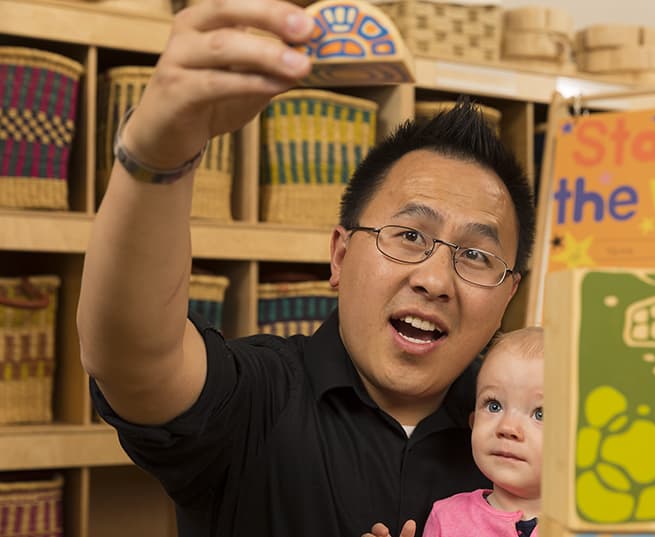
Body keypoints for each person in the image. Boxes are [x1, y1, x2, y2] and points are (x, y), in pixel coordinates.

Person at [76, 1, 535, 536]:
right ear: (340, 256)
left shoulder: (534, 438)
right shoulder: (254, 401)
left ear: (508, 295)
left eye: (476, 256)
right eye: (409, 236)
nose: (434, 280)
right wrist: (158, 153)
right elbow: (131, 354)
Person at [364, 327, 543, 537]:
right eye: (494, 406)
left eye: (540, 414)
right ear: (473, 422)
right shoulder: (446, 517)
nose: (508, 428)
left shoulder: (584, 528)